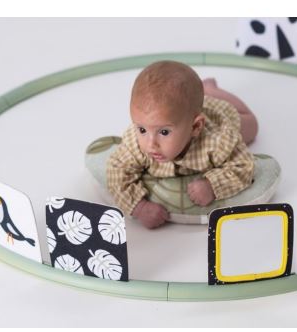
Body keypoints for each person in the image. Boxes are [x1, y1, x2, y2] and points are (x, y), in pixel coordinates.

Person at [107, 60, 258, 229]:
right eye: (142, 129)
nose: (151, 145)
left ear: (195, 127)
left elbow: (243, 165)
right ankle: (204, 92)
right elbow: (116, 170)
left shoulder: (217, 140)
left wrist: (212, 186)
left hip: (218, 112)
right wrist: (139, 207)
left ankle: (210, 90)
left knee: (253, 126)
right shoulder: (135, 143)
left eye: (164, 132)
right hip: (184, 113)